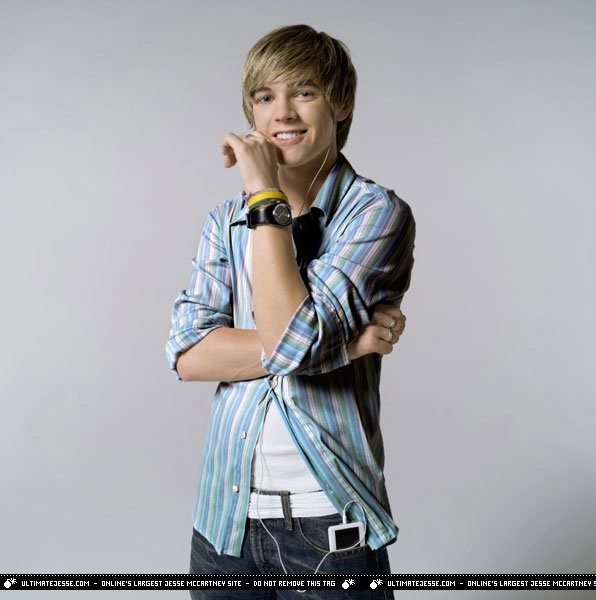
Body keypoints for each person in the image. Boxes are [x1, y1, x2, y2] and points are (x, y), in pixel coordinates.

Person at [166, 24, 415, 598]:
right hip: (225, 521)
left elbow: (293, 343)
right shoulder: (224, 220)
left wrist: (265, 198)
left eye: (304, 92)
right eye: (265, 96)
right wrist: (343, 344)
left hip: (329, 526)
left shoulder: (374, 213)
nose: (282, 112)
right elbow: (187, 354)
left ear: (340, 102)